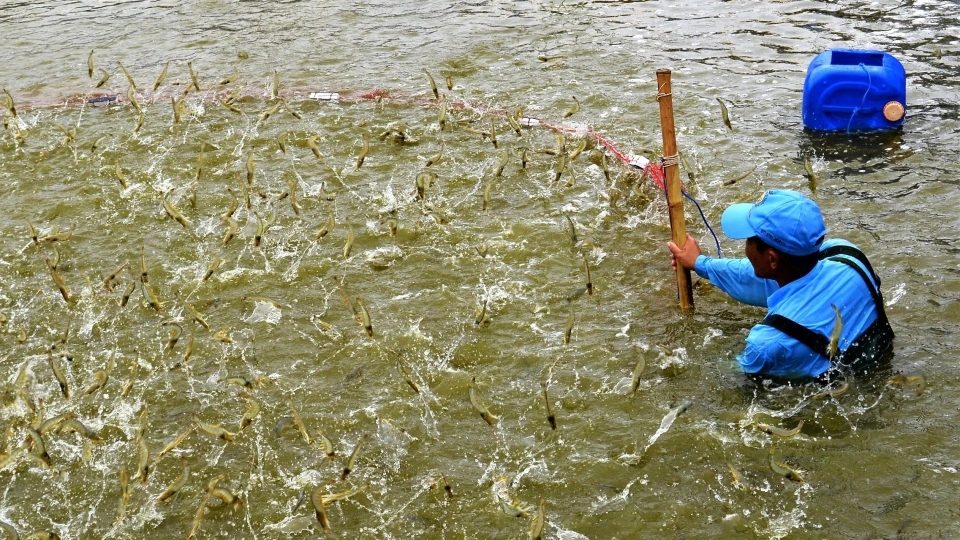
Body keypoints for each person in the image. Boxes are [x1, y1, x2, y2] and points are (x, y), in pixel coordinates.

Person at [667, 189, 894, 381]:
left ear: (772, 259)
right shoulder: (846, 255)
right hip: (884, 365)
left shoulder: (767, 343)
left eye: (749, 240)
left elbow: (730, 374)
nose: (746, 248)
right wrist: (700, 263)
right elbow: (752, 277)